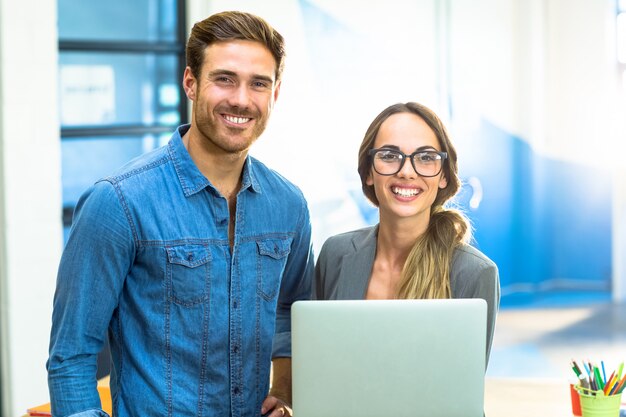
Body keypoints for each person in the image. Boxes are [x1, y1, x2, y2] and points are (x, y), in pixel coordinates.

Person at [47, 11, 313, 417]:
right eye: (224, 78)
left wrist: (288, 393)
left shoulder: (289, 206)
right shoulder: (118, 202)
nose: (241, 99)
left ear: (275, 94)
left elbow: (292, 316)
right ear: (190, 82)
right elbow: (71, 357)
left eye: (258, 83)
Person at [314, 102, 499, 362]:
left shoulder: (474, 273)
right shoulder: (335, 254)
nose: (407, 172)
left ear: (443, 176)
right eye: (389, 156)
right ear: (368, 172)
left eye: (425, 158)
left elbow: (463, 391)